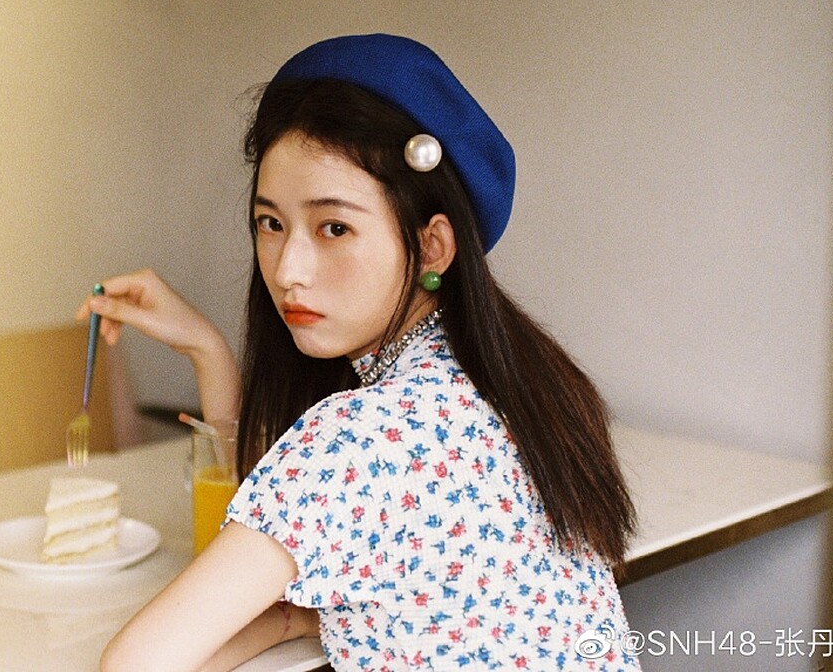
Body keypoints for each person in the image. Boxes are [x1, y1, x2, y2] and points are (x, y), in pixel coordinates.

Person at [84, 34, 639, 671]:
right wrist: (206, 349)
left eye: (334, 228)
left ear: (432, 247)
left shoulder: (359, 435)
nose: (287, 270)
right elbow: (288, 524)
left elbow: (132, 665)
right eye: (271, 223)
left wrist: (292, 617)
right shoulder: (525, 386)